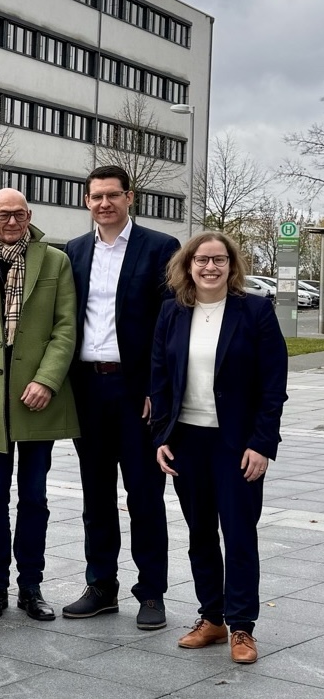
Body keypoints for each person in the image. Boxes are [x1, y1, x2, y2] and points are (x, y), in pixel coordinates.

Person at [151, 232, 287, 664]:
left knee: (240, 534)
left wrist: (262, 444)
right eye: (202, 260)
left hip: (236, 445)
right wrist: (161, 437)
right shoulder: (172, 312)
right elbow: (160, 378)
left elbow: (273, 385)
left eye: (219, 260)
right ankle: (212, 617)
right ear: (188, 265)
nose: (210, 268)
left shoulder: (255, 311)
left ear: (232, 266)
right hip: (188, 441)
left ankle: (242, 626)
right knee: (200, 534)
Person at [0, 189, 78, 622]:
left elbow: (65, 328)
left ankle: (31, 585)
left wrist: (47, 380)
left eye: (19, 214)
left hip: (37, 397)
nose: (11, 221)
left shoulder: (55, 261)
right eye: (3, 214)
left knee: (35, 496)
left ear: (30, 216)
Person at [63, 165, 180, 630]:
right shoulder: (73, 251)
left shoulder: (159, 248)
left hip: (138, 395)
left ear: (130, 198)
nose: (104, 204)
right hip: (89, 389)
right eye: (96, 197)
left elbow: (170, 325)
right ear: (87, 201)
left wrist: (158, 389)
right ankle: (101, 587)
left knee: (145, 495)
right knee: (96, 495)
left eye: (113, 195)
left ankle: (151, 593)